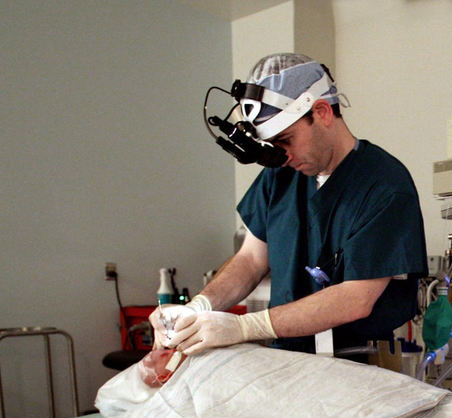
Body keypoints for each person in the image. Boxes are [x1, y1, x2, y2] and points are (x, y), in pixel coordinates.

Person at [151, 53, 428, 357]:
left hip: (359, 360)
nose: (282, 157)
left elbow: (355, 298)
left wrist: (245, 327)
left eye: (286, 140)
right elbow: (251, 260)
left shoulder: (384, 185)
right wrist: (198, 307)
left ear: (321, 112)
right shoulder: (279, 177)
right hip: (288, 356)